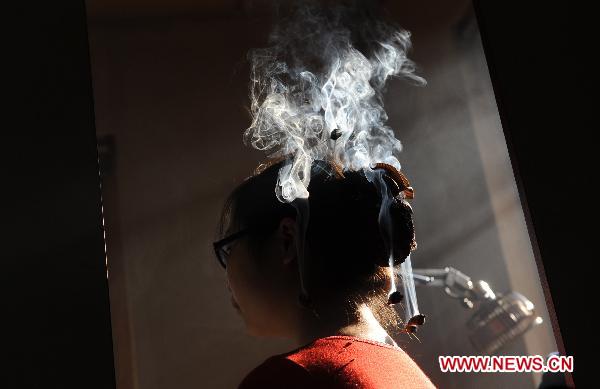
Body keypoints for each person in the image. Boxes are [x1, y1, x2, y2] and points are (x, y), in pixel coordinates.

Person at [214, 159, 435, 388]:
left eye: (228, 249)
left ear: (287, 241)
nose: (227, 279)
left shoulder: (291, 377)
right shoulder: (409, 375)